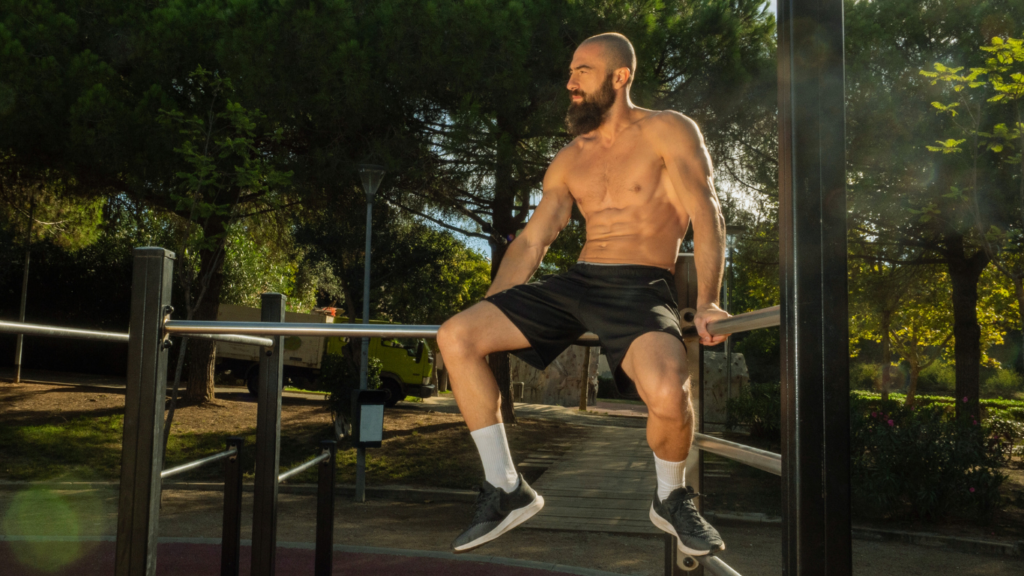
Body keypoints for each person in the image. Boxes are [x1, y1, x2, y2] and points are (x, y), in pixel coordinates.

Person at [437, 32, 730, 557]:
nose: (570, 82)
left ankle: (671, 497)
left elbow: (707, 212)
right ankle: (506, 489)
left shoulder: (668, 129)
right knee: (457, 334)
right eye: (570, 71)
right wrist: (492, 305)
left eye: (583, 71)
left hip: (640, 283)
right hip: (578, 280)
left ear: (621, 77)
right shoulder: (571, 157)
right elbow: (533, 241)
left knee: (668, 391)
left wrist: (707, 300)